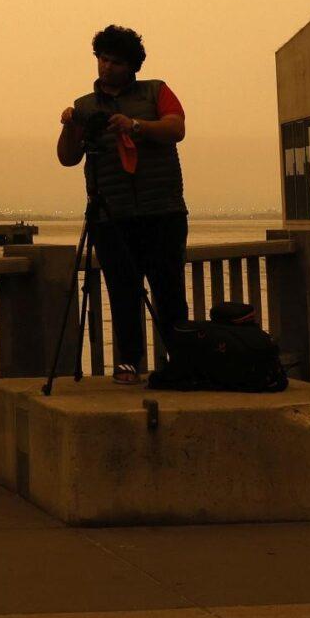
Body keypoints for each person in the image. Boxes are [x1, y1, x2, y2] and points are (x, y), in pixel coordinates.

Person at [55, 26, 189, 386]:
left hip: (162, 209)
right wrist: (70, 126)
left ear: (132, 65)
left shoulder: (156, 91)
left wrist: (135, 126)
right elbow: (68, 158)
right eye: (102, 59)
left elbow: (176, 128)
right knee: (121, 288)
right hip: (109, 214)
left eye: (115, 61)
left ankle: (184, 361)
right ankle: (128, 362)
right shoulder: (86, 106)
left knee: (168, 288)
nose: (106, 67)